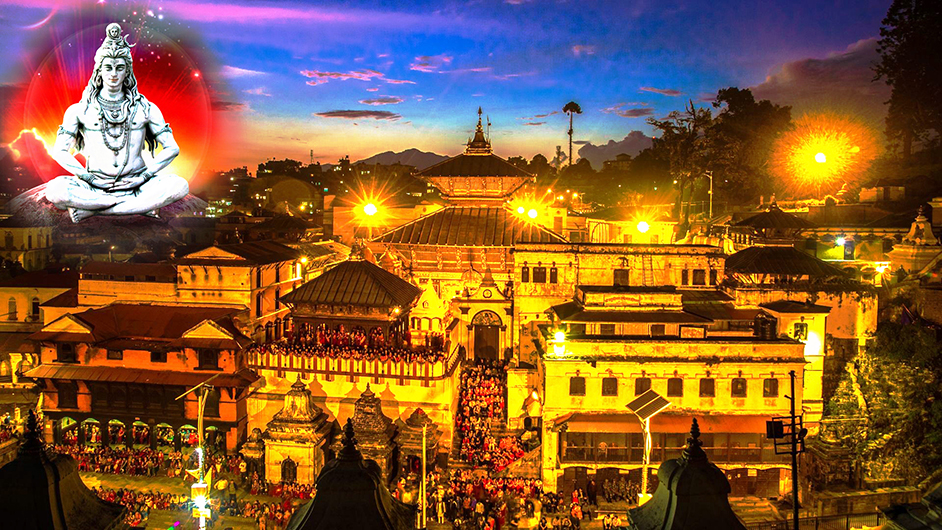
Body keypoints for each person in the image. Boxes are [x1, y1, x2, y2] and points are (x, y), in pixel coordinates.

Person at [44, 23, 189, 222]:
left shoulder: (146, 108)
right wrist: (86, 177)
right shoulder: (79, 110)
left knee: (179, 186)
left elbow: (172, 148)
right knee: (55, 191)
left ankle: (93, 209)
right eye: (108, 67)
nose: (113, 74)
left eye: (119, 68)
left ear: (127, 71)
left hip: (137, 183)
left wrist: (145, 176)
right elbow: (59, 151)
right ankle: (141, 207)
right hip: (94, 185)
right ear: (99, 70)